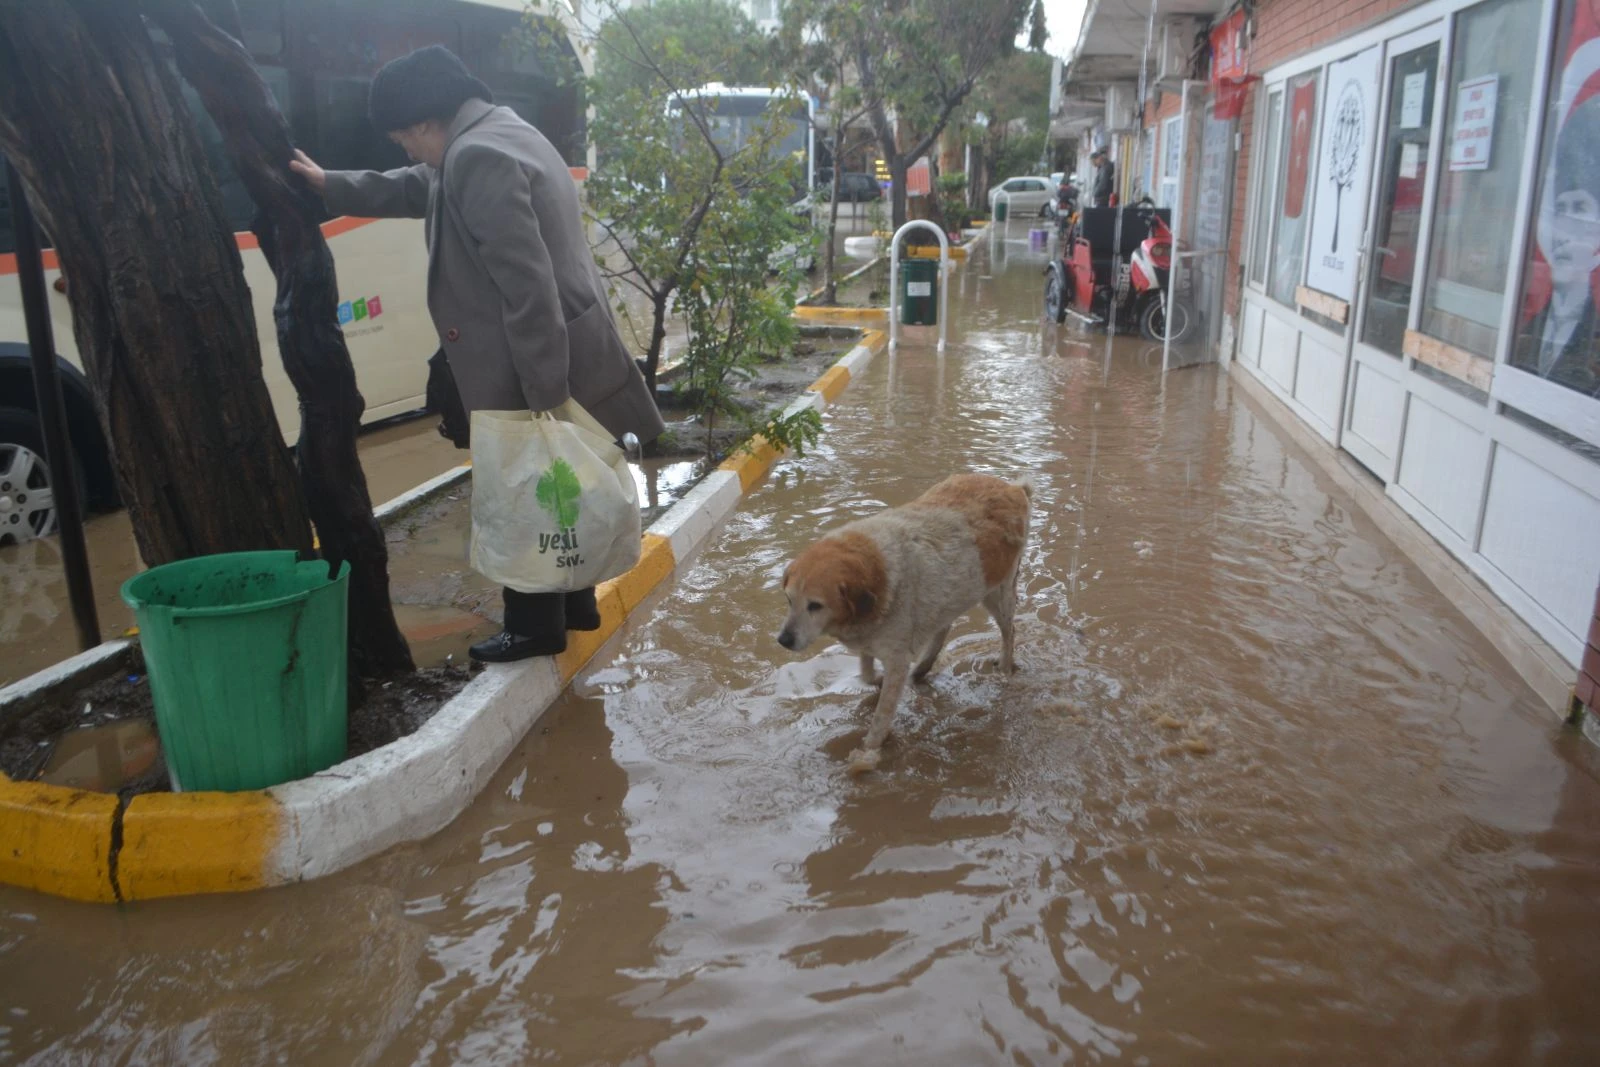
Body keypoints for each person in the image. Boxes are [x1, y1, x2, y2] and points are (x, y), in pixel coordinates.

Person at [290, 45, 666, 663]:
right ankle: (573, 604)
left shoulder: (477, 157)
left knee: (524, 487)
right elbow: (418, 186)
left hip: (529, 360)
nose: (405, 152)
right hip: (556, 349)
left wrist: (543, 397)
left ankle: (533, 625)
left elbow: (527, 285)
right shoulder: (493, 132)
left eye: (402, 138)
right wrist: (329, 184)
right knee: (555, 487)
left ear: (423, 123)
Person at [1516, 93, 1600, 397]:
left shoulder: (1593, 331)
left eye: (1580, 209)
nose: (1564, 229)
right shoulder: (1534, 322)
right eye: (1559, 210)